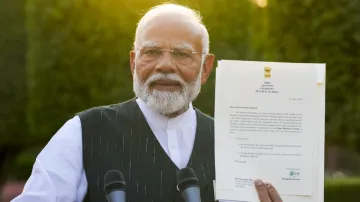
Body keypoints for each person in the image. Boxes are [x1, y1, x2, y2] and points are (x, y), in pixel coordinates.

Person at [12, 3, 283, 202]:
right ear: (133, 63)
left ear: (205, 68)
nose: (165, 65)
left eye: (182, 54)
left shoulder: (235, 143)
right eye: (152, 52)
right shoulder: (83, 132)